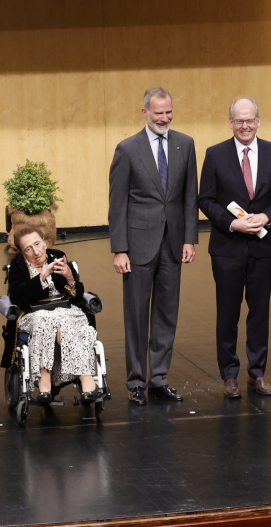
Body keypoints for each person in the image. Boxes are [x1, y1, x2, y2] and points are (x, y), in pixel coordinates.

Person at [198, 98, 271, 397]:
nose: (245, 126)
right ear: (230, 122)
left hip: (263, 249)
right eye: (239, 121)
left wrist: (267, 216)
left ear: (258, 121)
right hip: (227, 247)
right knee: (227, 313)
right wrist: (232, 223)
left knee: (259, 312)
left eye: (250, 120)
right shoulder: (215, 155)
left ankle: (257, 373)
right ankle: (229, 376)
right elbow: (206, 201)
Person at [108, 87, 199, 405]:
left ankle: (159, 378)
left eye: (169, 111)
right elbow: (117, 203)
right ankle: (136, 380)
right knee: (135, 314)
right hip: (137, 245)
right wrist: (119, 248)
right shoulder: (127, 149)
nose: (165, 118)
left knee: (166, 312)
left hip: (173, 243)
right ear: (144, 112)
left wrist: (190, 237)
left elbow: (190, 195)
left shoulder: (185, 144)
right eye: (158, 112)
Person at [6, 226, 102, 405]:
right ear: (22, 252)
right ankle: (86, 378)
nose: (35, 251)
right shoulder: (18, 266)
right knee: (46, 318)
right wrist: (41, 277)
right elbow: (18, 298)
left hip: (67, 311)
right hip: (33, 314)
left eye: (37, 244)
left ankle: (45, 384)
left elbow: (77, 296)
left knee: (57, 318)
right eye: (28, 248)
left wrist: (70, 278)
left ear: (44, 242)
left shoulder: (57, 256)